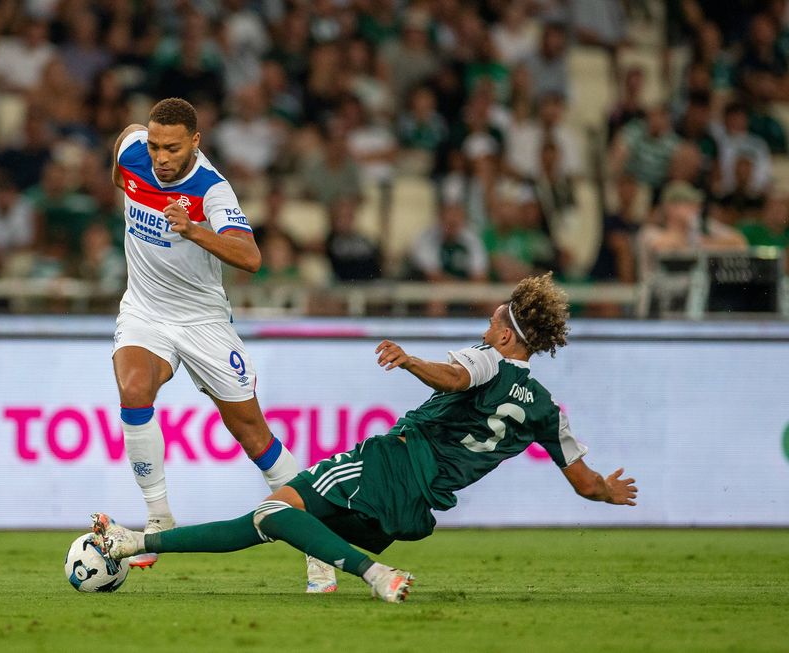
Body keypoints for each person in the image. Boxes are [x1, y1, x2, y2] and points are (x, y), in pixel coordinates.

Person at [90, 273, 638, 603]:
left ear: (504, 329)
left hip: (390, 464)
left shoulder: (488, 358)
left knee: (273, 515)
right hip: (417, 511)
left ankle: (371, 574)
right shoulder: (547, 410)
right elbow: (585, 483)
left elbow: (457, 376)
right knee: (271, 521)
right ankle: (136, 542)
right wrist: (608, 492)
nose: (485, 325)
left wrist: (410, 361)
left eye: (492, 317)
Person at [109, 98, 336, 592]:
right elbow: (124, 144)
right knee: (132, 388)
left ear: (196, 142)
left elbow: (251, 257)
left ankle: (319, 547)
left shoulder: (213, 190)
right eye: (154, 145)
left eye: (171, 147)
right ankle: (158, 517)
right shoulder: (131, 152)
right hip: (145, 312)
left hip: (203, 321)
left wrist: (192, 229)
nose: (160, 157)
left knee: (254, 437)